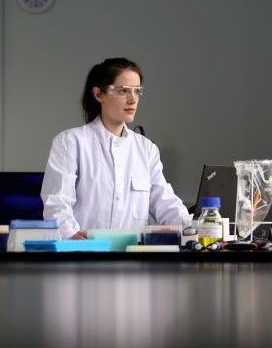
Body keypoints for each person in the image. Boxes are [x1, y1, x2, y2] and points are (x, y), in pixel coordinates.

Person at [40, 57, 192, 239]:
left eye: (137, 91)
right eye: (123, 91)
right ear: (99, 95)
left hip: (134, 259)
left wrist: (195, 228)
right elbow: (56, 204)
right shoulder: (70, 142)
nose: (132, 99)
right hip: (84, 257)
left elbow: (165, 203)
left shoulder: (146, 149)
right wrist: (74, 238)